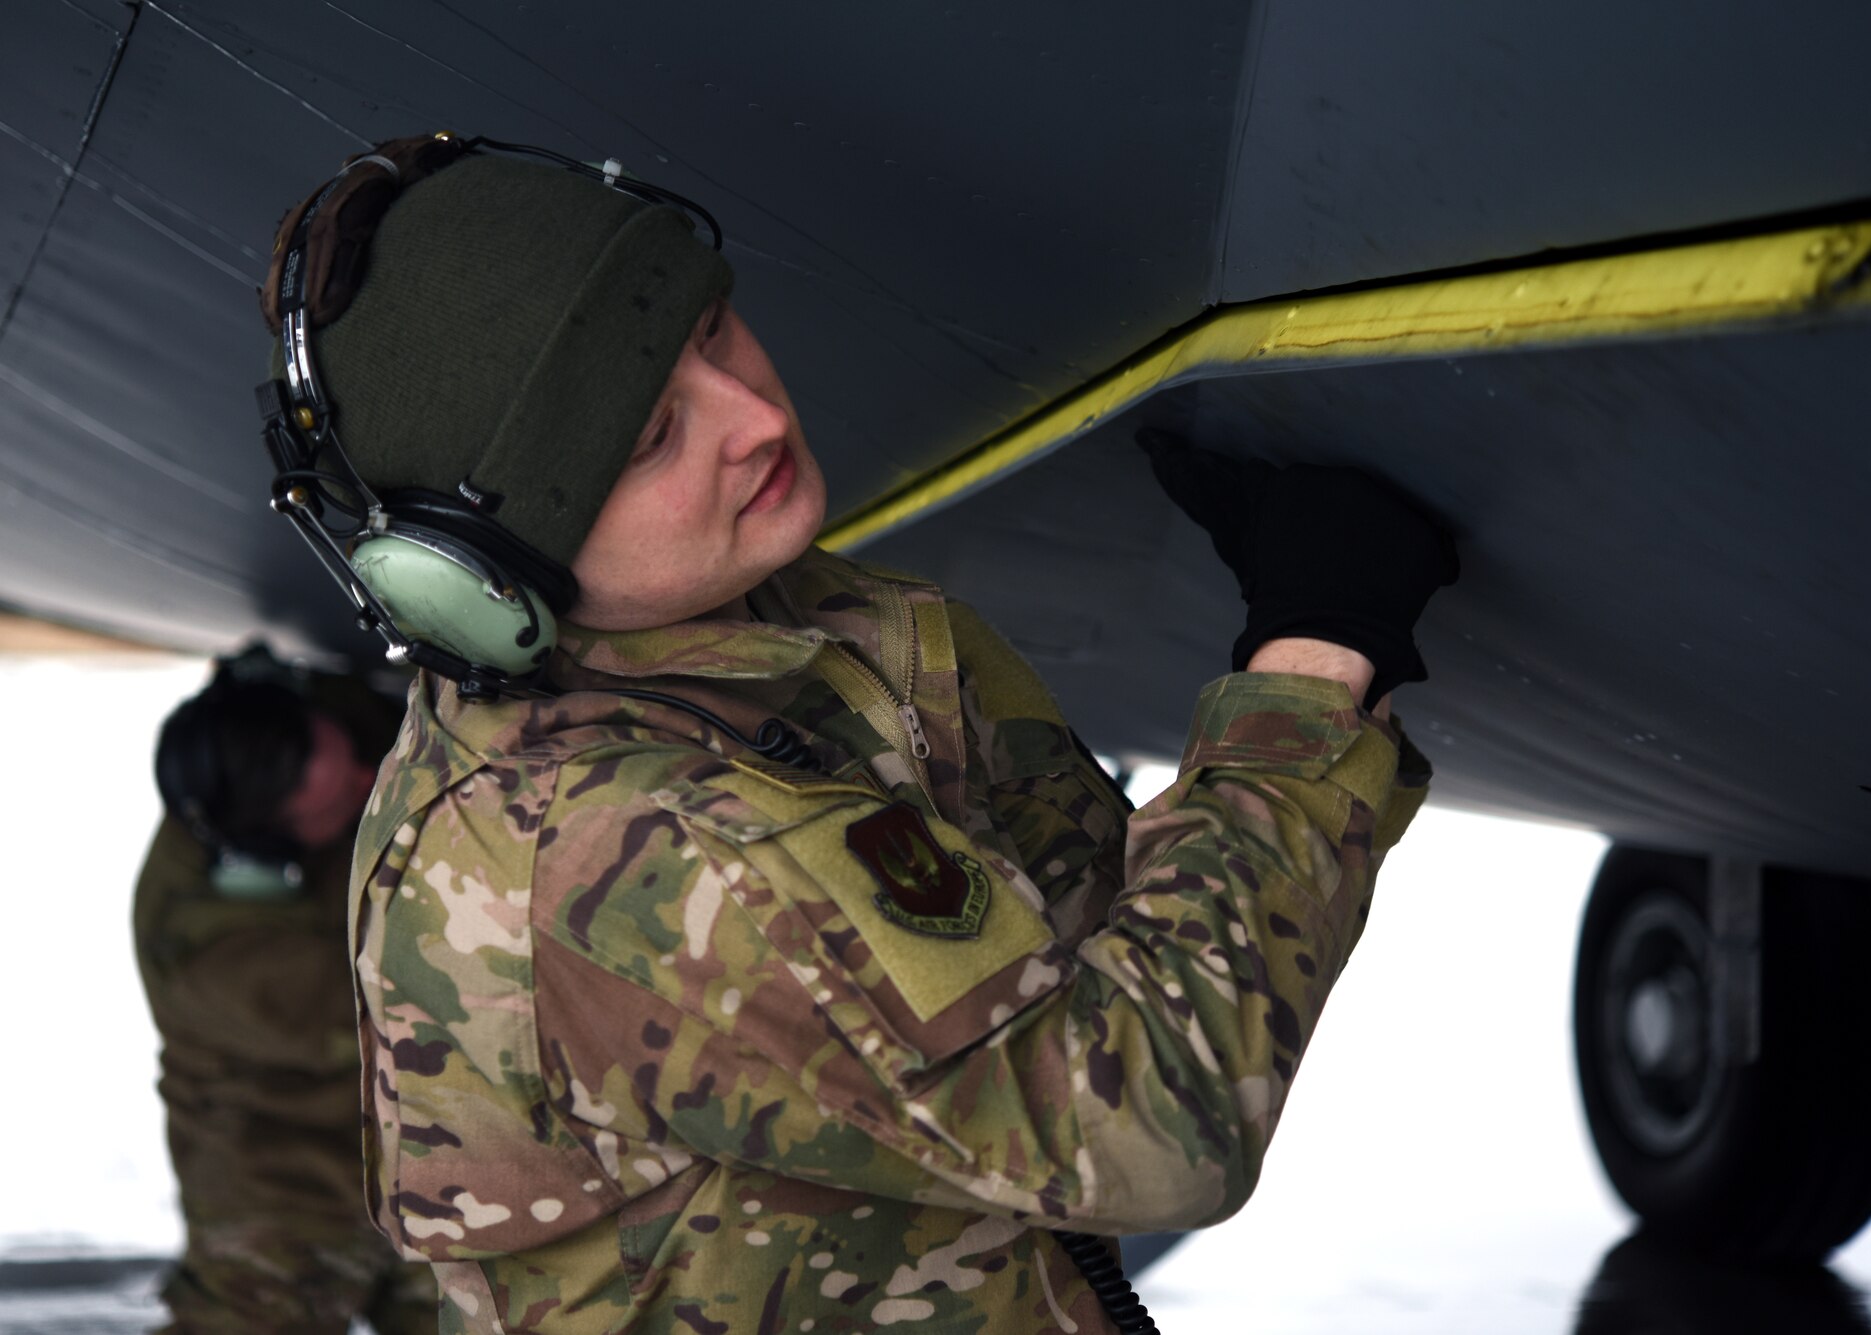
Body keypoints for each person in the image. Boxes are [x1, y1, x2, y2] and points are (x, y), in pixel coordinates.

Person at [260, 135, 1456, 1333]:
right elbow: (1148, 1121)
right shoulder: (636, 852)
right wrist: (1311, 663)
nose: (752, 416)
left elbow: (1084, 932)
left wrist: (1304, 705)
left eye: (712, 325)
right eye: (648, 437)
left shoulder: (794, 634)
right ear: (476, 578)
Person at [138, 647, 436, 1334]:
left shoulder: (267, 748)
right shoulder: (222, 965)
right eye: (344, 797)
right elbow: (422, 1008)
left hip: (424, 1153)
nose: (370, 777)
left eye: (356, 760)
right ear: (272, 858)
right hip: (281, 1183)